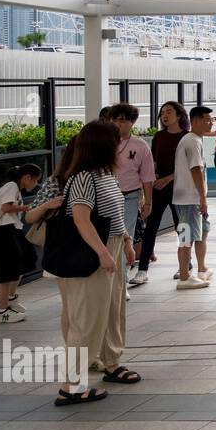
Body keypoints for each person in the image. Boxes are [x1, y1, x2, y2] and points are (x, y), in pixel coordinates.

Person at [51, 120, 141, 404]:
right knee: (86, 318)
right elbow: (80, 219)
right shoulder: (83, 178)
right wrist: (102, 252)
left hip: (111, 246)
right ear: (102, 145)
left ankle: (111, 362)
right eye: (117, 140)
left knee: (112, 310)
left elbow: (113, 216)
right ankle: (71, 385)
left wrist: (125, 241)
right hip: (92, 252)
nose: (121, 144)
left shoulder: (108, 175)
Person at [130, 100, 187, 286]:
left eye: (169, 112)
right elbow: (152, 162)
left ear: (179, 115)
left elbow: (190, 167)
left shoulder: (188, 137)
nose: (165, 115)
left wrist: (168, 178)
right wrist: (153, 179)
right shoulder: (159, 137)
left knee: (183, 227)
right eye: (162, 112)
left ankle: (186, 264)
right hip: (159, 188)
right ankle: (143, 269)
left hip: (180, 188)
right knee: (151, 228)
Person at [109, 103, 153, 294]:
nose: (118, 124)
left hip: (129, 197)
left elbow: (147, 176)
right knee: (108, 239)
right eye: (115, 120)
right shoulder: (104, 143)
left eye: (122, 120)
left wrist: (148, 202)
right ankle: (111, 280)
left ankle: (122, 281)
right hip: (105, 198)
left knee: (124, 238)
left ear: (132, 122)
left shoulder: (140, 145)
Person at [0, 163, 42, 323]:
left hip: (13, 230)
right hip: (4, 231)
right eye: (35, 180)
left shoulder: (14, 188)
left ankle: (9, 299)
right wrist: (27, 207)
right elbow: (6, 208)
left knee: (27, 259)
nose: (36, 184)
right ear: (26, 177)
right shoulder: (11, 186)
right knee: (7, 270)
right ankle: (2, 311)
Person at [173, 105, 214, 290]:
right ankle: (184, 276)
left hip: (191, 198)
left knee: (202, 233)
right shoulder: (192, 141)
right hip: (189, 199)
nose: (211, 122)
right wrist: (202, 198)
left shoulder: (194, 139)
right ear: (195, 121)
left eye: (211, 119)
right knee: (186, 238)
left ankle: (202, 268)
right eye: (207, 119)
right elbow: (196, 169)